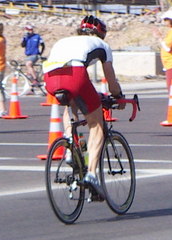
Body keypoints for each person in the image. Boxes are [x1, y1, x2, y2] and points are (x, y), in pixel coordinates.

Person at [43, 15, 125, 199]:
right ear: (101, 34)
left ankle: (69, 143)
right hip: (75, 75)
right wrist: (118, 96)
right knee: (96, 126)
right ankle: (92, 174)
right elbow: (111, 82)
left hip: (50, 77)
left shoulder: (65, 41)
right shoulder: (102, 46)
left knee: (71, 103)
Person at [153, 9, 172, 110]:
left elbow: (167, 47)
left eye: (166, 20)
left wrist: (159, 37)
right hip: (170, 64)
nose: (165, 22)